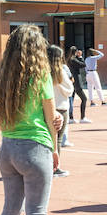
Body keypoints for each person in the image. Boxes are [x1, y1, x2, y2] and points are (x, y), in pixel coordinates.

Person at [0, 23, 70, 215]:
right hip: (35, 148)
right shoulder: (41, 75)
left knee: (10, 211)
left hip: (8, 149)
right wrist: (56, 148)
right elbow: (51, 118)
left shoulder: (3, 77)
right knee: (36, 213)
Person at [48, 44, 73, 172]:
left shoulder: (43, 71)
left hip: (47, 109)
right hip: (61, 108)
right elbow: (70, 90)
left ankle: (47, 166)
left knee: (47, 139)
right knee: (57, 139)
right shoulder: (61, 72)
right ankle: (55, 167)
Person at [67, 46, 89, 121]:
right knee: (84, 99)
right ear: (75, 52)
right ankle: (82, 117)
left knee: (71, 100)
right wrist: (80, 57)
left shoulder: (69, 59)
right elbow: (83, 64)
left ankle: (71, 117)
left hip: (72, 81)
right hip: (76, 82)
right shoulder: (73, 60)